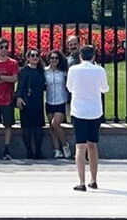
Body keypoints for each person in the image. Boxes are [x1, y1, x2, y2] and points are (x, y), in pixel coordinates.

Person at [67, 44, 109, 192]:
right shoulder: (100, 70)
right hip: (95, 112)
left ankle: (81, 182)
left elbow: (70, 87)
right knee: (92, 145)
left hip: (79, 111)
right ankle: (94, 179)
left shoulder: (73, 70)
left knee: (80, 146)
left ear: (80, 56)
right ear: (93, 56)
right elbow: (105, 89)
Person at [16, 48, 46, 160]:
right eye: (32, 55)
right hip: (26, 102)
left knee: (38, 127)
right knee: (27, 128)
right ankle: (29, 151)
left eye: (37, 55)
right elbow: (20, 85)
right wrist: (18, 97)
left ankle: (38, 151)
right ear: (28, 58)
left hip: (38, 101)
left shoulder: (41, 71)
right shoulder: (24, 71)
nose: (35, 57)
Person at [43, 50, 70, 159]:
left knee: (55, 123)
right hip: (49, 101)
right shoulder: (45, 71)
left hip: (61, 100)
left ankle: (65, 145)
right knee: (52, 127)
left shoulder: (63, 72)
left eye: (56, 58)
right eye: (52, 58)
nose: (54, 60)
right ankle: (57, 150)